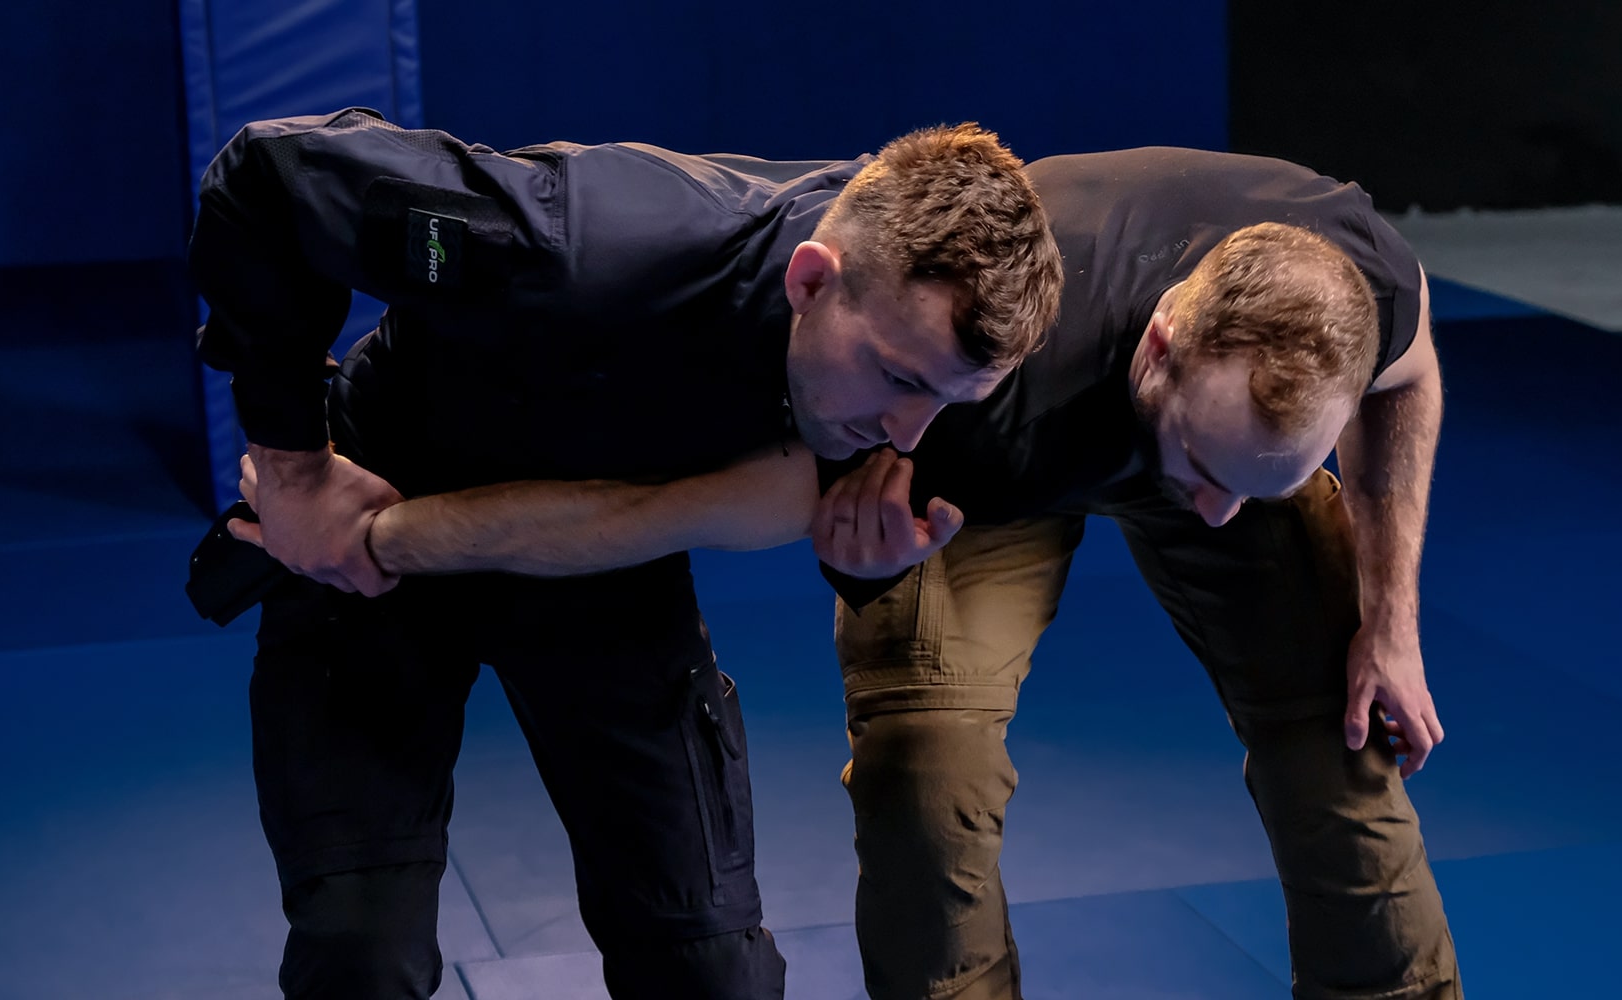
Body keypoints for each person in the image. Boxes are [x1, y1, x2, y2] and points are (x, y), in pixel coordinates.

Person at [236, 145, 1459, 999]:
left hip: (1198, 414)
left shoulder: (1340, 285)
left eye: (1255, 476)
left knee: (1346, 735)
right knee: (927, 765)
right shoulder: (943, 387)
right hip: (984, 488)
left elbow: (1399, 381)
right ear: (1156, 345)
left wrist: (1388, 616)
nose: (1214, 511)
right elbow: (656, 511)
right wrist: (334, 504)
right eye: (1197, 464)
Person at [187, 106, 1063, 1000]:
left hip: (598, 569)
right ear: (809, 283)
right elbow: (267, 177)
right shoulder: (574, 242)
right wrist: (293, 469)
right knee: (359, 959)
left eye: (945, 400)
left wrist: (861, 564)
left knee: (714, 975)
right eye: (898, 380)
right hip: (376, 524)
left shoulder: (930, 342)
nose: (906, 434)